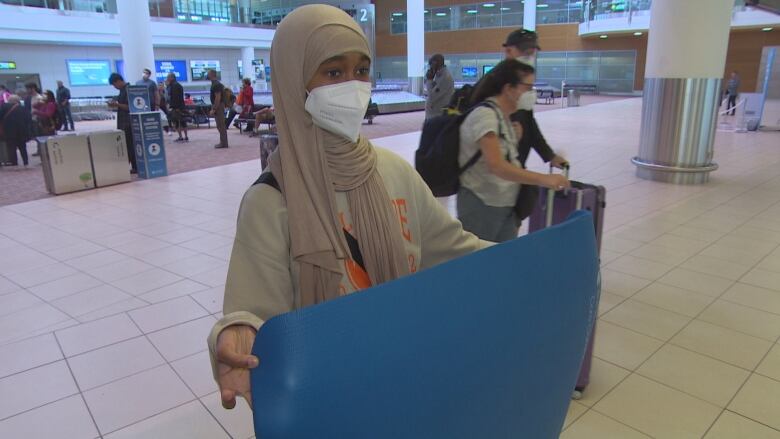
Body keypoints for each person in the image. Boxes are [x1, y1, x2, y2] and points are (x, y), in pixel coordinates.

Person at [207, 4, 490, 411]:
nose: (354, 85)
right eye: (333, 72)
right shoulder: (270, 202)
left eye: (361, 70)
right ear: (294, 81)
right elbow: (251, 313)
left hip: (399, 376)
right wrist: (236, 333)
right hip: (324, 396)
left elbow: (454, 249)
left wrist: (532, 259)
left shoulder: (392, 172)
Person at [457, 59, 570, 242]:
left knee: (503, 263)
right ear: (509, 88)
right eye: (528, 87)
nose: (531, 93)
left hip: (505, 205)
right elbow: (497, 166)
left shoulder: (505, 116)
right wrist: (545, 179)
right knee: (479, 265)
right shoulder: (485, 116)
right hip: (482, 205)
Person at [107, 73, 137, 174]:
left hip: (128, 122)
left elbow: (131, 107)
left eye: (114, 85)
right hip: (123, 122)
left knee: (130, 145)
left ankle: (135, 167)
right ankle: (129, 166)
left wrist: (117, 104)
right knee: (127, 145)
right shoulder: (121, 91)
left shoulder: (129, 90)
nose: (114, 87)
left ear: (118, 81)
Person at [0, 95, 32, 167]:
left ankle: (14, 163)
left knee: (11, 148)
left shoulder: (4, 107)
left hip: (9, 131)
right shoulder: (23, 108)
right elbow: (28, 119)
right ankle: (25, 162)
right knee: (23, 147)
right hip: (22, 131)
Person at [424, 54, 454, 119]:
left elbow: (432, 96)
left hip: (437, 115)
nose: (430, 67)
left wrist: (429, 80)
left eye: (431, 64)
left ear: (435, 63)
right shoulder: (439, 75)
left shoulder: (445, 77)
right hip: (433, 114)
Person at [207, 69, 229, 149]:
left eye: (208, 74)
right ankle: (223, 142)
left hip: (219, 106)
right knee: (219, 125)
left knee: (221, 125)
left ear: (212, 74)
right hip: (219, 105)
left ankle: (224, 143)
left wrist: (214, 109)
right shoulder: (215, 84)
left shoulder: (216, 84)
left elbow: (217, 98)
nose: (207, 75)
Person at [166, 73, 189, 142]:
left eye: (168, 77)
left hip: (176, 107)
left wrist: (175, 107)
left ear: (172, 78)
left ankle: (180, 136)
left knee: (176, 122)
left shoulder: (174, 86)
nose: (167, 79)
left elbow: (175, 97)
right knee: (183, 122)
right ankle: (186, 136)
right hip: (181, 106)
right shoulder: (178, 85)